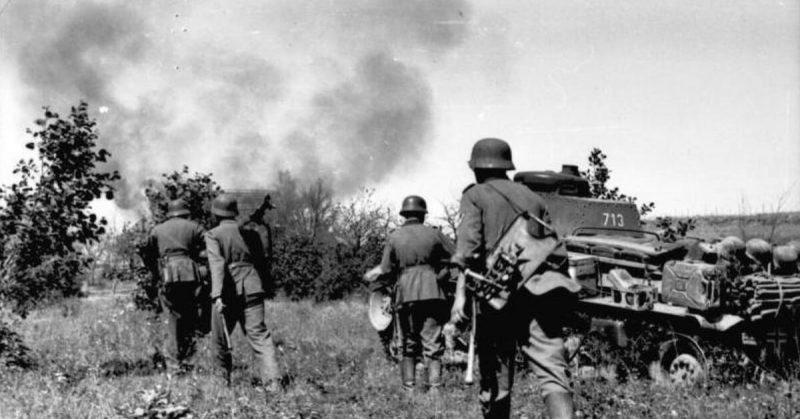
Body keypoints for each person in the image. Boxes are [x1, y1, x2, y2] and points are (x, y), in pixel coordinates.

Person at [450, 138, 577, 419]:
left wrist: (460, 297)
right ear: (507, 166)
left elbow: (468, 252)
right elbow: (551, 247)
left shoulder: (475, 195)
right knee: (553, 372)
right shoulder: (533, 197)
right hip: (539, 292)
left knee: (496, 377)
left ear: (477, 168)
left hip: (497, 298)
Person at [374, 195, 454, 392]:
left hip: (405, 294)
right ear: (423, 215)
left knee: (407, 344)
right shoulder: (434, 234)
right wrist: (442, 273)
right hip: (433, 291)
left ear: (404, 215)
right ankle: (434, 390)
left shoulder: (394, 236)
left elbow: (385, 269)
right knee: (432, 344)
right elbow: (458, 256)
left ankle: (409, 390)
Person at [205, 194, 281, 391]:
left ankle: (221, 386)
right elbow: (263, 261)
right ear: (234, 212)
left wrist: (217, 295)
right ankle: (273, 384)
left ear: (216, 214)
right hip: (253, 285)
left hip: (227, 291)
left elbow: (217, 264)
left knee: (220, 339)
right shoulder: (250, 233)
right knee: (260, 337)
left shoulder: (213, 234)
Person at [146, 198, 206, 374]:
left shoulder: (157, 229)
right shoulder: (194, 227)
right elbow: (211, 244)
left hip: (169, 276)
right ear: (184, 212)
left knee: (172, 319)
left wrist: (156, 273)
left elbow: (148, 253)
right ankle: (188, 359)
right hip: (191, 274)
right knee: (191, 317)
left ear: (170, 213)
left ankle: (173, 365)